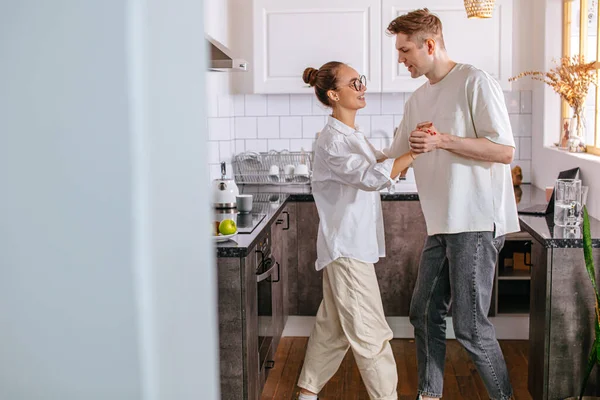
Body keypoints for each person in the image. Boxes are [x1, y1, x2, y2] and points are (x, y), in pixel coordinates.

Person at [383, 9, 520, 400]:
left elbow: (504, 151)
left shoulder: (474, 81)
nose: (401, 58)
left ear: (430, 45)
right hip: (441, 225)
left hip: (476, 221)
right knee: (423, 314)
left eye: (405, 49)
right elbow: (392, 154)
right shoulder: (417, 97)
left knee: (471, 327)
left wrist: (442, 140)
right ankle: (430, 394)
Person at [296, 61, 417, 400]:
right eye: (353, 83)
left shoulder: (352, 136)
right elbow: (371, 178)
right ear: (334, 94)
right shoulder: (333, 141)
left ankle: (306, 393)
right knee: (371, 335)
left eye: (360, 80)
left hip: (350, 248)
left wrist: (412, 149)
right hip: (347, 250)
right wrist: (413, 153)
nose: (362, 87)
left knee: (333, 328)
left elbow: (385, 165)